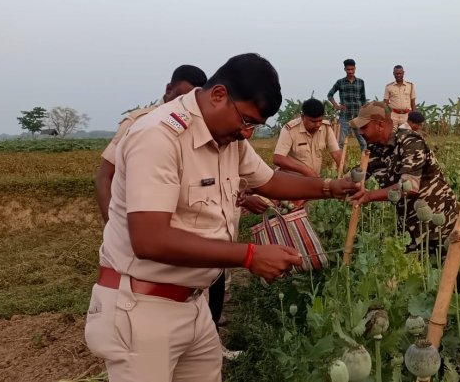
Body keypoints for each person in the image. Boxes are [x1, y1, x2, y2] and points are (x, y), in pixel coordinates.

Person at [84, 53, 357, 382]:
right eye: (246, 120)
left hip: (194, 303)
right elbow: (150, 239)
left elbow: (269, 181)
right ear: (218, 95)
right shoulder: (159, 136)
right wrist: (250, 256)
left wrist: (329, 187)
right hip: (143, 308)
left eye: (254, 125)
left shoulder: (228, 138)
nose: (247, 133)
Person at [95, 65, 208, 224]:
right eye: (181, 97)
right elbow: (104, 178)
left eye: (192, 100)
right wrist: (113, 226)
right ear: (169, 89)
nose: (185, 104)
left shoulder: (197, 127)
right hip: (132, 223)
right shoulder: (138, 122)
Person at [349, 102, 458, 252]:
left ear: (380, 125)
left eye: (364, 127)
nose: (360, 132)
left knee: (442, 263)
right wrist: (331, 187)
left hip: (438, 222)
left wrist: (368, 196)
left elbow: (408, 187)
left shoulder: (410, 141)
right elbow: (355, 177)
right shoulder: (374, 149)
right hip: (408, 226)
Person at [273, 98, 342, 178]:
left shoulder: (326, 127)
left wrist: (348, 172)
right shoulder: (290, 130)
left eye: (320, 120)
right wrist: (304, 170)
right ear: (303, 117)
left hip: (314, 178)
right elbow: (278, 159)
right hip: (292, 178)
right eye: (313, 121)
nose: (318, 125)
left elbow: (336, 154)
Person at [328, 58, 367, 150]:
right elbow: (330, 95)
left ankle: (364, 159)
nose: (350, 71)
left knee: (363, 142)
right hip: (345, 116)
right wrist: (336, 106)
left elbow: (363, 99)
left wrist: (363, 113)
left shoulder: (360, 82)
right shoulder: (340, 82)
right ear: (345, 69)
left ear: (355, 69)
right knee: (341, 143)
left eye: (352, 69)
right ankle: (340, 159)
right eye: (348, 69)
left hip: (357, 117)